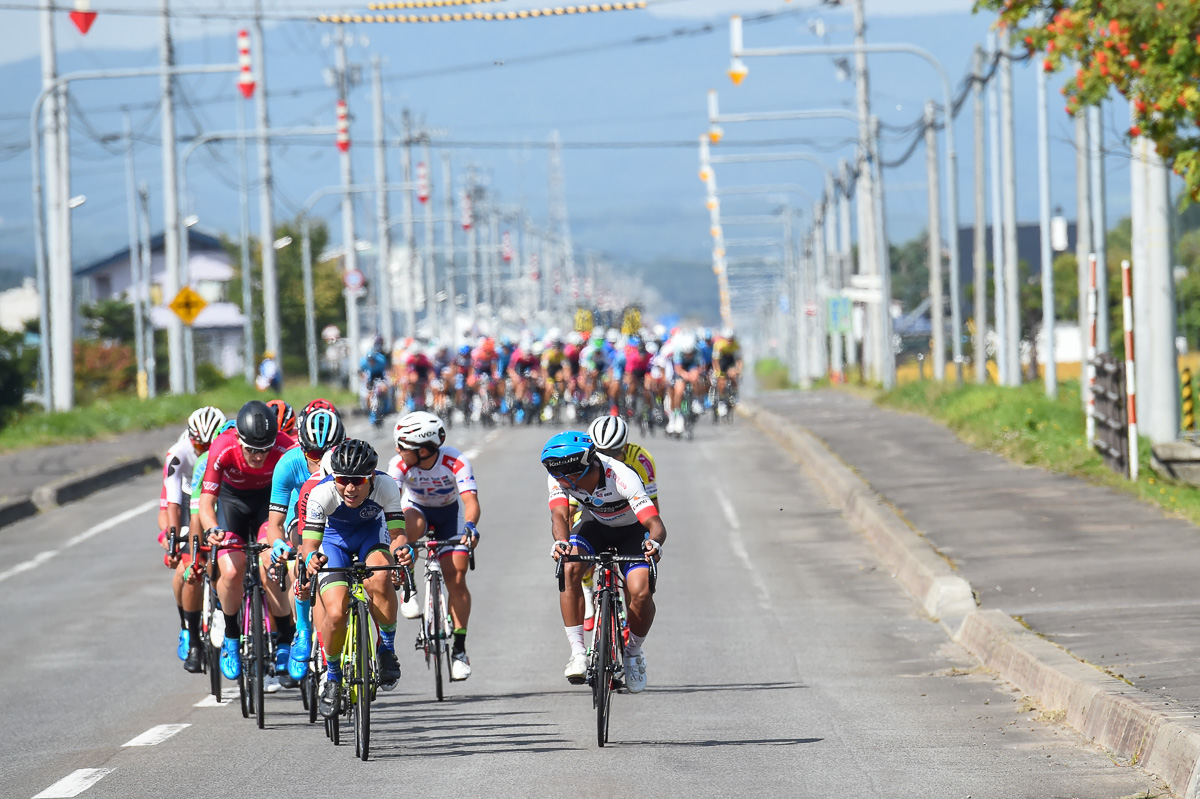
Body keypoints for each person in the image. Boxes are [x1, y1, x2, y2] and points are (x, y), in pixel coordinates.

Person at [540, 431, 666, 694]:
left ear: (589, 463)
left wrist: (653, 542)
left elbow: (655, 524)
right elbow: (559, 516)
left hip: (632, 532)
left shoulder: (621, 475)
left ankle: (633, 652)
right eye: (559, 475)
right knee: (569, 566)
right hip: (594, 526)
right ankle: (577, 654)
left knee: (641, 591)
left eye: (571, 475)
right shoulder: (559, 476)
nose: (566, 481)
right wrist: (561, 542)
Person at [301, 440, 409, 717]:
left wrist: (401, 551)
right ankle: (334, 677)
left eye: (358, 480)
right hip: (333, 543)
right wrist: (311, 559)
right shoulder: (321, 493)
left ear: (371, 476)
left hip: (370, 537)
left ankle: (386, 649)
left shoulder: (386, 486)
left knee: (381, 578)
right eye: (343, 480)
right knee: (335, 612)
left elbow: (397, 535)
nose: (350, 488)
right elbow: (310, 545)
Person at [198, 400, 295, 680]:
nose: (258, 457)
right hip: (232, 504)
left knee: (271, 564)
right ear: (239, 440)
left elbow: (302, 490)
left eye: (264, 450)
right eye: (251, 450)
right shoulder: (223, 446)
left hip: (269, 504)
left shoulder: (284, 447)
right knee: (230, 569)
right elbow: (206, 503)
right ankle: (230, 635)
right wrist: (212, 528)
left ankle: (285, 641)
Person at [387, 411, 481, 681]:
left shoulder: (455, 461)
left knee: (457, 576)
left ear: (424, 450)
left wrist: (471, 527)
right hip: (415, 510)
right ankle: (410, 586)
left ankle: (460, 650)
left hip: (449, 515)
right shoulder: (399, 464)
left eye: (403, 446)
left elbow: (470, 502)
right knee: (409, 523)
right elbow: (391, 505)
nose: (397, 450)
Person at [265, 408, 346, 686]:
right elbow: (274, 522)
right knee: (302, 560)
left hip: (339, 518)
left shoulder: (348, 459)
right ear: (302, 448)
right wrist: (277, 543)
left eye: (328, 453)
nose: (321, 461)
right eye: (313, 455)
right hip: (300, 518)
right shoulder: (289, 463)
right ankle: (301, 629)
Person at [158, 405, 226, 672]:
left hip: (219, 496)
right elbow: (171, 504)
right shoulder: (178, 454)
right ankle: (191, 634)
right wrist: (173, 539)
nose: (204, 451)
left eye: (211, 445)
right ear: (190, 438)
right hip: (188, 500)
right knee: (186, 569)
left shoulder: (226, 449)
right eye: (200, 445)